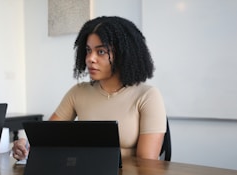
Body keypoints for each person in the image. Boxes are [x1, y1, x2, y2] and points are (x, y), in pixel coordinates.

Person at [12, 16, 166, 161]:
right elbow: (46, 137)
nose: (90, 58)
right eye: (88, 50)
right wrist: (25, 143)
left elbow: (146, 166)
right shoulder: (78, 92)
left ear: (124, 55)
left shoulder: (148, 96)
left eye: (101, 51)